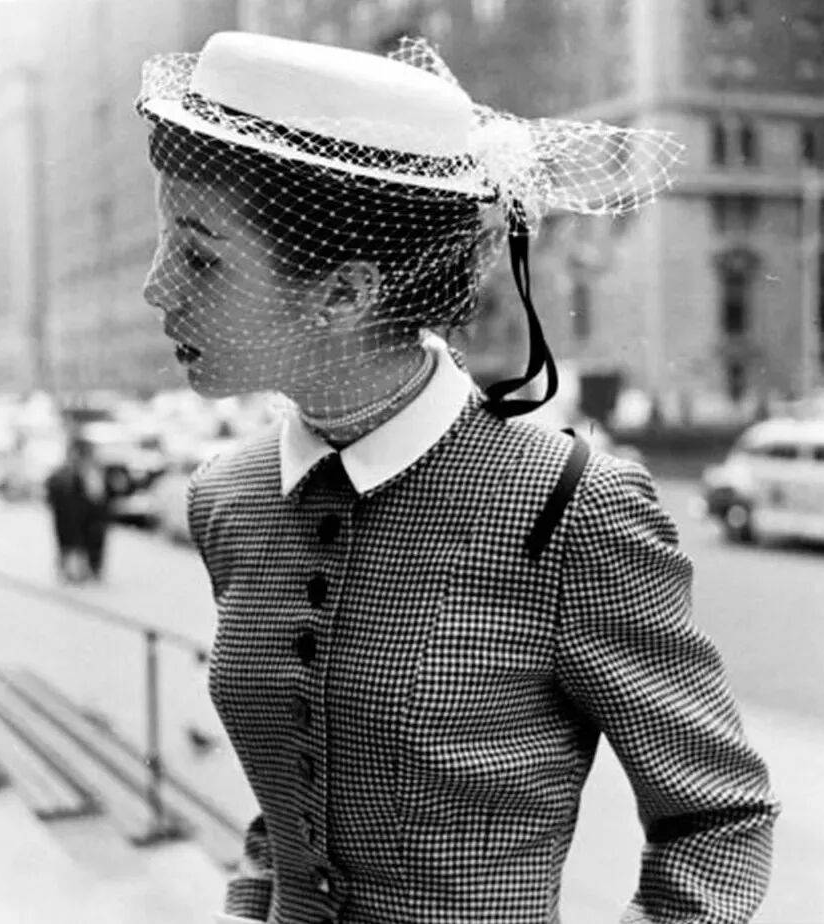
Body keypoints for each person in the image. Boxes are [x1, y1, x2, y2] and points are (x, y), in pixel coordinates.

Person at [137, 32, 779, 923]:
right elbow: (289, 796)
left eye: (200, 256)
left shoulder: (571, 508)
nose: (155, 288)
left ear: (345, 292)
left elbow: (716, 818)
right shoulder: (229, 499)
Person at [45, 436, 110, 582]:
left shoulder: (92, 472)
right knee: (72, 545)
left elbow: (99, 497)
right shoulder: (66, 473)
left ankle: (83, 572)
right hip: (70, 519)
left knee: (83, 545)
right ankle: (72, 573)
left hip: (86, 520)